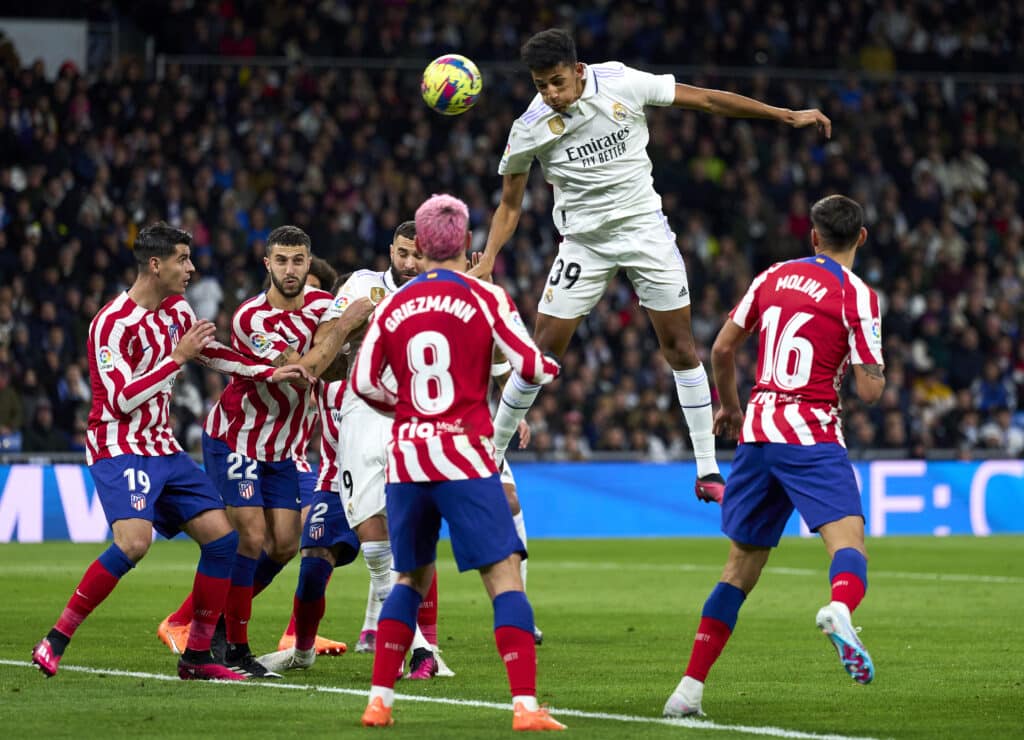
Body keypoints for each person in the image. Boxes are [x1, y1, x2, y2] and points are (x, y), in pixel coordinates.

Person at [474, 28, 832, 502]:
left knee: (680, 347)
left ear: (578, 70)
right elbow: (510, 205)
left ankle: (707, 469)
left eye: (557, 82)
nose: (551, 94)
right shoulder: (530, 126)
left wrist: (783, 115)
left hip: (646, 233)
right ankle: (490, 460)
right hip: (584, 243)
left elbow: (704, 100)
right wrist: (490, 258)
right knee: (541, 354)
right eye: (541, 85)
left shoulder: (622, 82)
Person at [30, 222, 310, 681]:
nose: (191, 268)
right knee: (135, 543)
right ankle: (56, 637)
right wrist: (176, 358)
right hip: (119, 446)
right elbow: (120, 400)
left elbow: (212, 354)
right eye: (183, 259)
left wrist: (267, 372)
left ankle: (198, 657)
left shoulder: (178, 311)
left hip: (164, 447)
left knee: (224, 541)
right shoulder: (110, 323)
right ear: (155, 265)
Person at [663, 195, 885, 718]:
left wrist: (732, 409)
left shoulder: (773, 276)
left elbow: (720, 349)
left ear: (813, 236)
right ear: (862, 238)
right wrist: (870, 366)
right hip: (810, 434)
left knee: (738, 569)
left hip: (758, 432)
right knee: (848, 546)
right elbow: (871, 391)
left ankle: (687, 690)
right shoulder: (857, 295)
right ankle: (838, 608)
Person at [352, 194, 565, 731]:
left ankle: (379, 701)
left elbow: (360, 383)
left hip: (407, 459)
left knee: (409, 578)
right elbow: (532, 364)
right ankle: (525, 707)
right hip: (464, 458)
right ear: (467, 243)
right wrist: (546, 366)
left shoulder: (391, 307)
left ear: (420, 246)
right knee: (504, 577)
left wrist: (404, 411)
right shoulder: (487, 296)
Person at [159, 226, 372, 678]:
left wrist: (329, 340)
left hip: (284, 446)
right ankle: (234, 646)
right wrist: (341, 329)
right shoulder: (251, 318)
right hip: (237, 436)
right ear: (267, 265)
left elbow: (333, 363)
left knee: (283, 545)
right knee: (250, 537)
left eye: (298, 261)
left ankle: (213, 621)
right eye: (281, 261)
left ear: (308, 262)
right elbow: (297, 371)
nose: (290, 270)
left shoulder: (321, 306)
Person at [322, 221, 444, 679]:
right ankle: (412, 644)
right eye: (403, 253)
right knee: (373, 543)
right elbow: (330, 342)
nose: (409, 263)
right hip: (362, 416)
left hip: (417, 419)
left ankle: (417, 647)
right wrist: (352, 325)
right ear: (390, 250)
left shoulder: (441, 293)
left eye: (418, 255)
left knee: (413, 535)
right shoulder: (361, 285)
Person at [274, 254, 350, 656]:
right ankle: (299, 647)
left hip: (367, 475)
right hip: (307, 467)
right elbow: (292, 367)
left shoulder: (378, 355)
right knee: (289, 549)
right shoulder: (313, 352)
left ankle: (421, 647)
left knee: (401, 559)